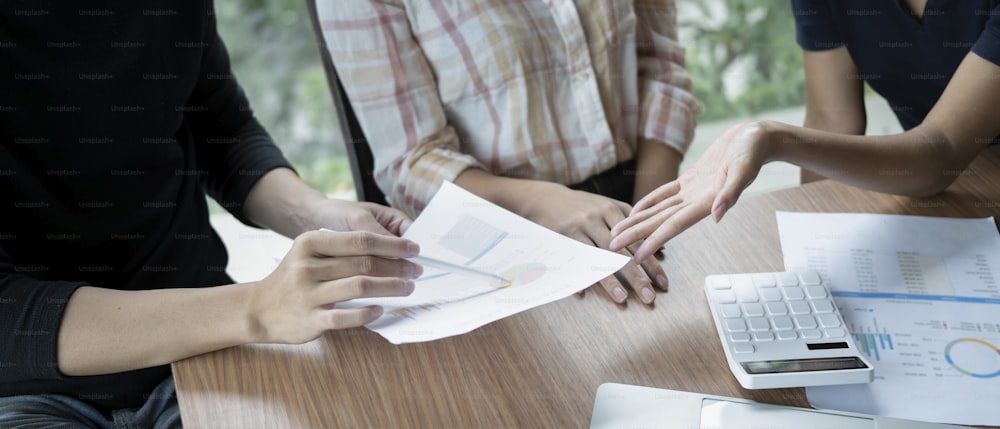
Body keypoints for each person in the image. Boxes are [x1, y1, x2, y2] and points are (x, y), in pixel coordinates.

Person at [0, 2, 422, 427]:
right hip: (27, 393)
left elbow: (221, 131)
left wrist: (314, 214)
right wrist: (256, 309)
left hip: (205, 350)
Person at [317, 0, 701, 305]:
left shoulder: (643, 222)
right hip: (499, 238)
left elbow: (661, 71)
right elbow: (412, 162)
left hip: (638, 206)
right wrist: (543, 205)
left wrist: (645, 227)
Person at [609, 0, 1000, 262]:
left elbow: (942, 151)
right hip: (951, 212)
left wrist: (773, 138)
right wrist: (814, 260)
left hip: (965, 194)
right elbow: (833, 121)